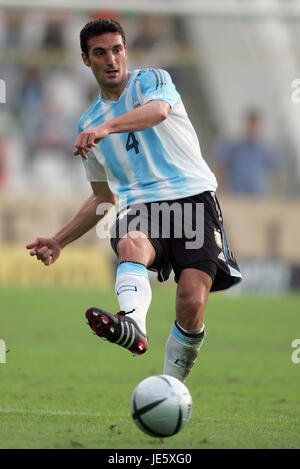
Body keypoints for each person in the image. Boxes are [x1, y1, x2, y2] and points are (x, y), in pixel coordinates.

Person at [26, 19, 242, 383]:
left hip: (193, 199)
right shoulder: (89, 121)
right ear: (85, 59)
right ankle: (133, 325)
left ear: (126, 50)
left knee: (191, 301)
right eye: (100, 53)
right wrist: (58, 240)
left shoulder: (152, 80)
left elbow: (157, 112)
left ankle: (170, 387)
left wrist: (106, 128)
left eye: (117, 49)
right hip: (142, 206)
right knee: (130, 242)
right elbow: (102, 196)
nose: (111, 59)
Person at [214, 110, 282, 196]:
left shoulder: (266, 148)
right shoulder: (234, 146)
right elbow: (221, 166)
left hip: (259, 195)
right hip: (237, 194)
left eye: (255, 125)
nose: (252, 128)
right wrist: (221, 189)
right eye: (251, 124)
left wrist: (275, 193)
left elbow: (275, 171)